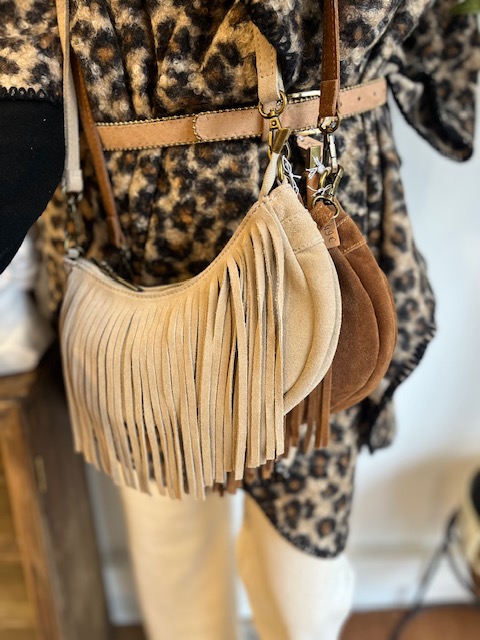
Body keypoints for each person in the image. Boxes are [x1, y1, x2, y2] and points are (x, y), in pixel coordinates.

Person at [0, 1, 478, 638]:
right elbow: (22, 80)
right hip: (141, 248)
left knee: (300, 579)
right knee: (175, 548)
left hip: (308, 252)